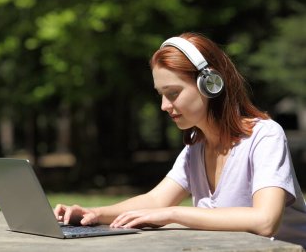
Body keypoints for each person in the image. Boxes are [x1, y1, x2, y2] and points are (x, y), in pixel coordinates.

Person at [54, 32, 306, 247]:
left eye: (173, 93)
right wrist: (95, 214)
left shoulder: (265, 136)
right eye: (161, 95)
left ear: (211, 85)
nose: (164, 106)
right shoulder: (196, 147)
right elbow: (155, 200)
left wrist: (174, 214)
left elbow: (265, 221)